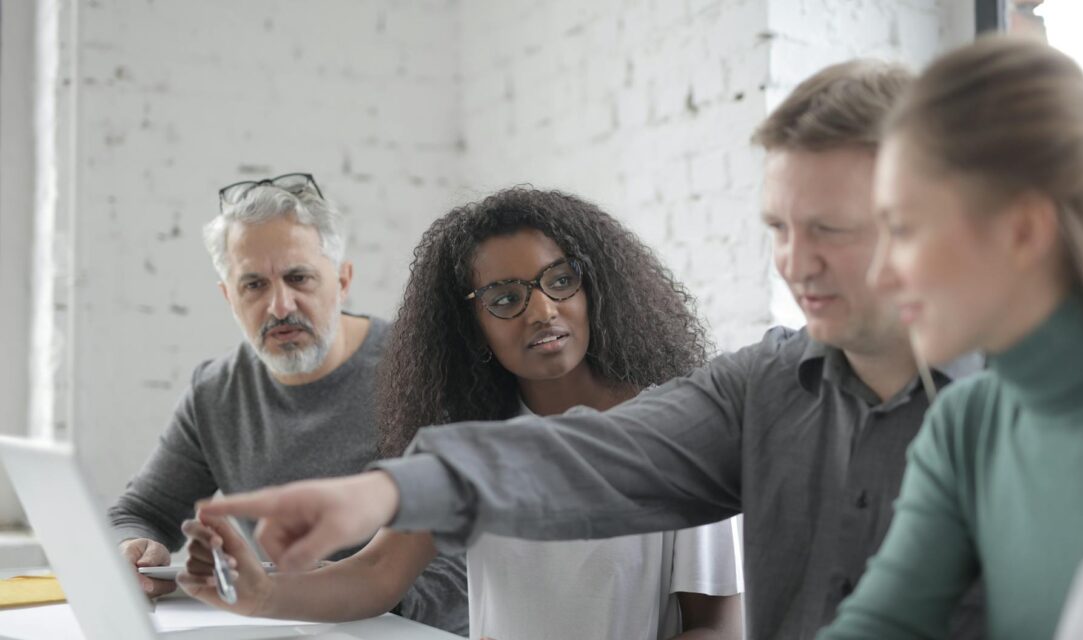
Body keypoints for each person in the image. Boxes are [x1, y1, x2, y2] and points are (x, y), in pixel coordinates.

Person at [193, 63, 988, 639]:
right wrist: (376, 497)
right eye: (778, 228)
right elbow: (593, 455)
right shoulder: (762, 387)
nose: (792, 262)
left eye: (830, 228)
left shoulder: (1018, 408)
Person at [180, 187, 743, 639]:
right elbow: (378, 574)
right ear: (470, 326)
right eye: (504, 299)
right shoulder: (467, 446)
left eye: (561, 280)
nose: (543, 311)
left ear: (595, 284)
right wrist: (260, 594)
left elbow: (717, 624)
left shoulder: (675, 433)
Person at [815, 35, 1083, 638]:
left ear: (1023, 230)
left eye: (904, 229)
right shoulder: (967, 426)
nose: (881, 273)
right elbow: (881, 624)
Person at [108, 173, 467, 634]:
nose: (280, 306)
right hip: (290, 626)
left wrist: (350, 596)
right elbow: (141, 512)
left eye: (299, 278)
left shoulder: (422, 372)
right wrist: (136, 547)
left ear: (342, 280)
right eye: (253, 285)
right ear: (228, 297)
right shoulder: (215, 393)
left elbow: (469, 547)